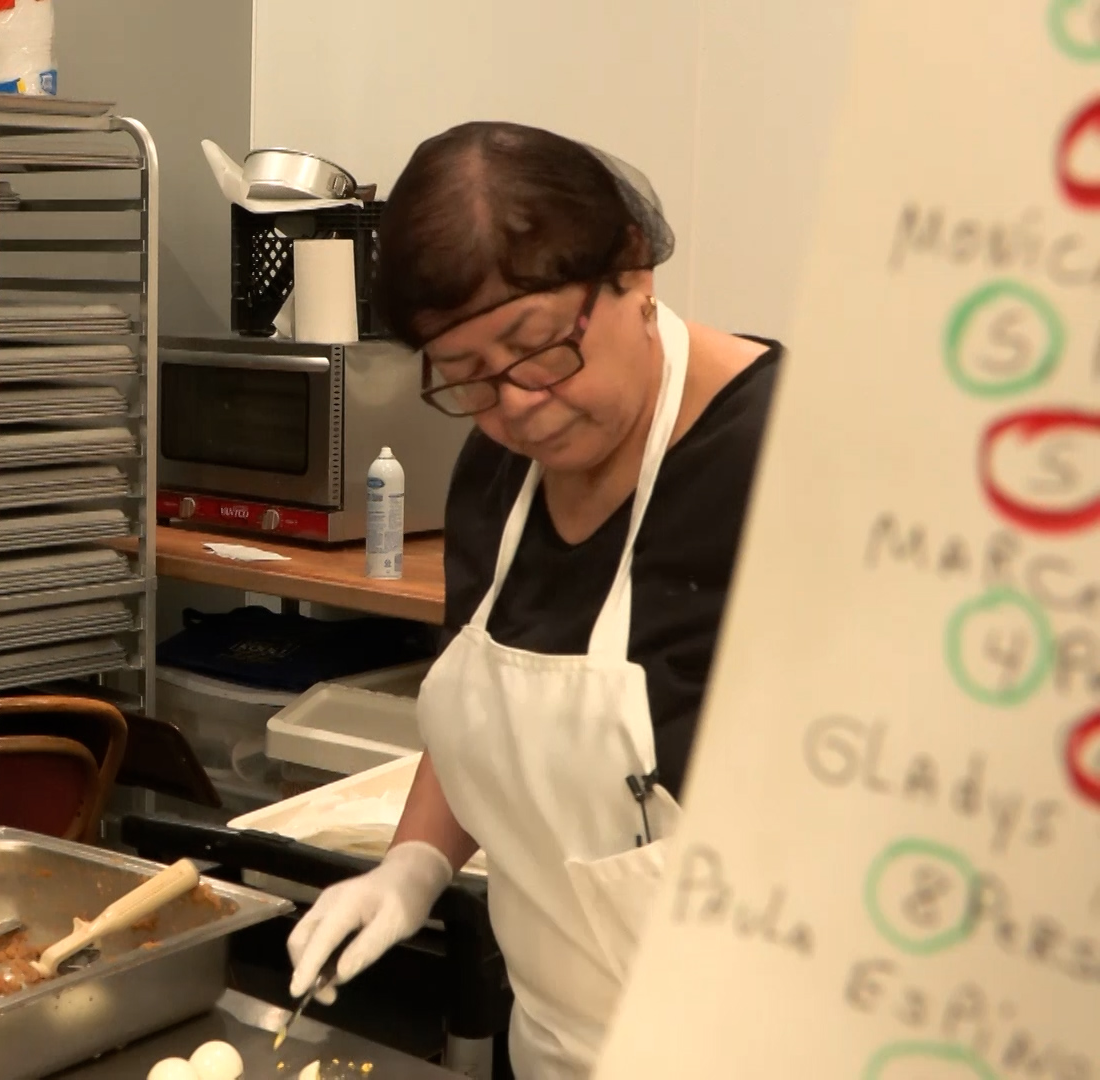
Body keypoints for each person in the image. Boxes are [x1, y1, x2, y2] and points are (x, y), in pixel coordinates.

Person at [285, 122, 783, 1079]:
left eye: (538, 349)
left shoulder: (789, 463)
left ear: (632, 275)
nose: (515, 407)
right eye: (466, 378)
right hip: (556, 1049)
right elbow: (494, 719)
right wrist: (413, 866)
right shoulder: (497, 474)